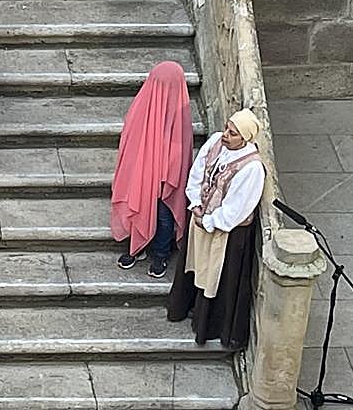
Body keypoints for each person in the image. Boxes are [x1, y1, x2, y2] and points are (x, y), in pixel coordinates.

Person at [167, 108, 266, 348]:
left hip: (225, 234)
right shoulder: (214, 142)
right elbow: (197, 173)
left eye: (233, 134)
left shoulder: (252, 169)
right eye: (227, 129)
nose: (226, 135)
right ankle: (185, 305)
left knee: (214, 275)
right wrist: (196, 203)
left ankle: (206, 324)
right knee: (195, 264)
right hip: (200, 218)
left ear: (245, 138)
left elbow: (238, 207)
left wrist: (210, 221)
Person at [110, 61, 194, 279]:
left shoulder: (180, 111)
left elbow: (180, 149)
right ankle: (136, 247)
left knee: (164, 213)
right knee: (138, 204)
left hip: (164, 176)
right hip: (142, 170)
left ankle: (160, 254)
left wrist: (166, 174)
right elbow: (130, 138)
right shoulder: (143, 104)